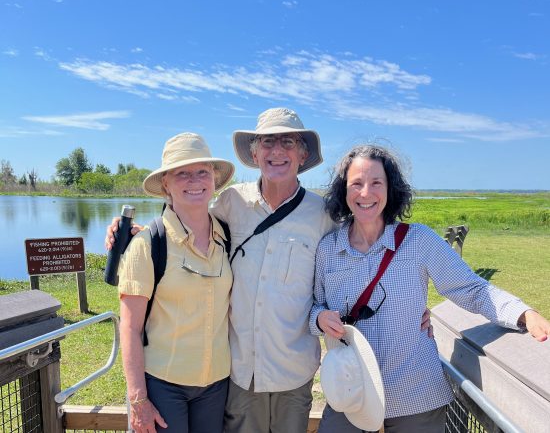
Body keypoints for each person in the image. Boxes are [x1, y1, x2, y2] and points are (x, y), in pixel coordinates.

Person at [107, 109, 433, 433]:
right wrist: (136, 234)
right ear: (254, 151)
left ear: (302, 153)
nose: (277, 151)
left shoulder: (323, 215)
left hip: (293, 373)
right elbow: (186, 218)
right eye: (267, 142)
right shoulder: (231, 203)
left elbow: (363, 251)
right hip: (238, 373)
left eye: (287, 142)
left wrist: (406, 307)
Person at [310, 144, 550, 433]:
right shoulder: (328, 249)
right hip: (351, 392)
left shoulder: (418, 241)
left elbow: (471, 288)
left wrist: (523, 313)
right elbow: (314, 306)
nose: (365, 193)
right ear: (343, 191)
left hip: (415, 394)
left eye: (376, 183)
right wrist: (320, 319)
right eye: (356, 184)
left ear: (391, 189)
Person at [117, 132, 235, 433]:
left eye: (202, 172)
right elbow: (130, 328)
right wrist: (138, 400)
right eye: (182, 173)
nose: (194, 180)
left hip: (216, 385)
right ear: (166, 184)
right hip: (163, 386)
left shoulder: (229, 236)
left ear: (214, 179)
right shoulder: (147, 244)